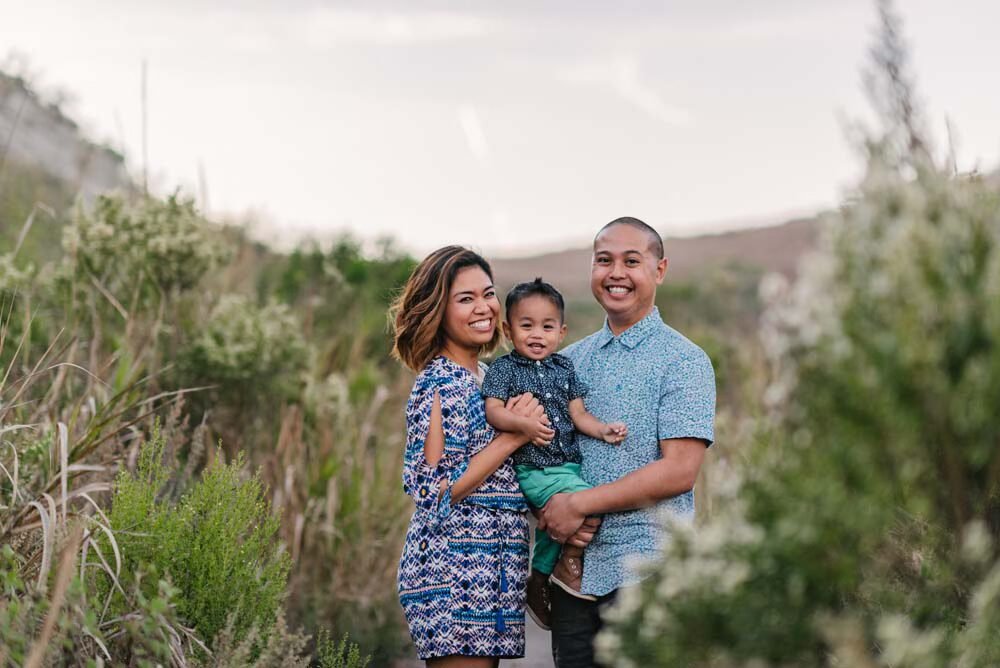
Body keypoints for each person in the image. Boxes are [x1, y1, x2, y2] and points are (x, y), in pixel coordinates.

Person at [539, 217, 717, 667]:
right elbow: (541, 455)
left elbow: (679, 470)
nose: (616, 273)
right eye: (604, 260)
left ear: (659, 270)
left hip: (648, 574)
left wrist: (580, 505)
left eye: (631, 261)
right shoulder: (565, 362)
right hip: (572, 578)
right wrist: (550, 510)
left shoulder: (685, 361)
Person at [391, 246, 552, 666]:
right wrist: (513, 436)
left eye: (488, 293)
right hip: (452, 574)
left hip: (494, 571)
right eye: (465, 299)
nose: (483, 308)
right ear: (437, 311)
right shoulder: (439, 384)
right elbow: (434, 492)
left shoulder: (486, 377)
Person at [481, 278, 627, 630]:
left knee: (565, 516)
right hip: (533, 468)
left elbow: (578, 416)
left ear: (561, 332)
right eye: (526, 325)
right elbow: (493, 411)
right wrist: (523, 426)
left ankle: (539, 576)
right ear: (507, 329)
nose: (536, 335)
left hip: (567, 465)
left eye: (547, 327)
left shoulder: (565, 369)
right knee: (588, 503)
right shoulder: (504, 369)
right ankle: (568, 562)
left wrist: (602, 430)